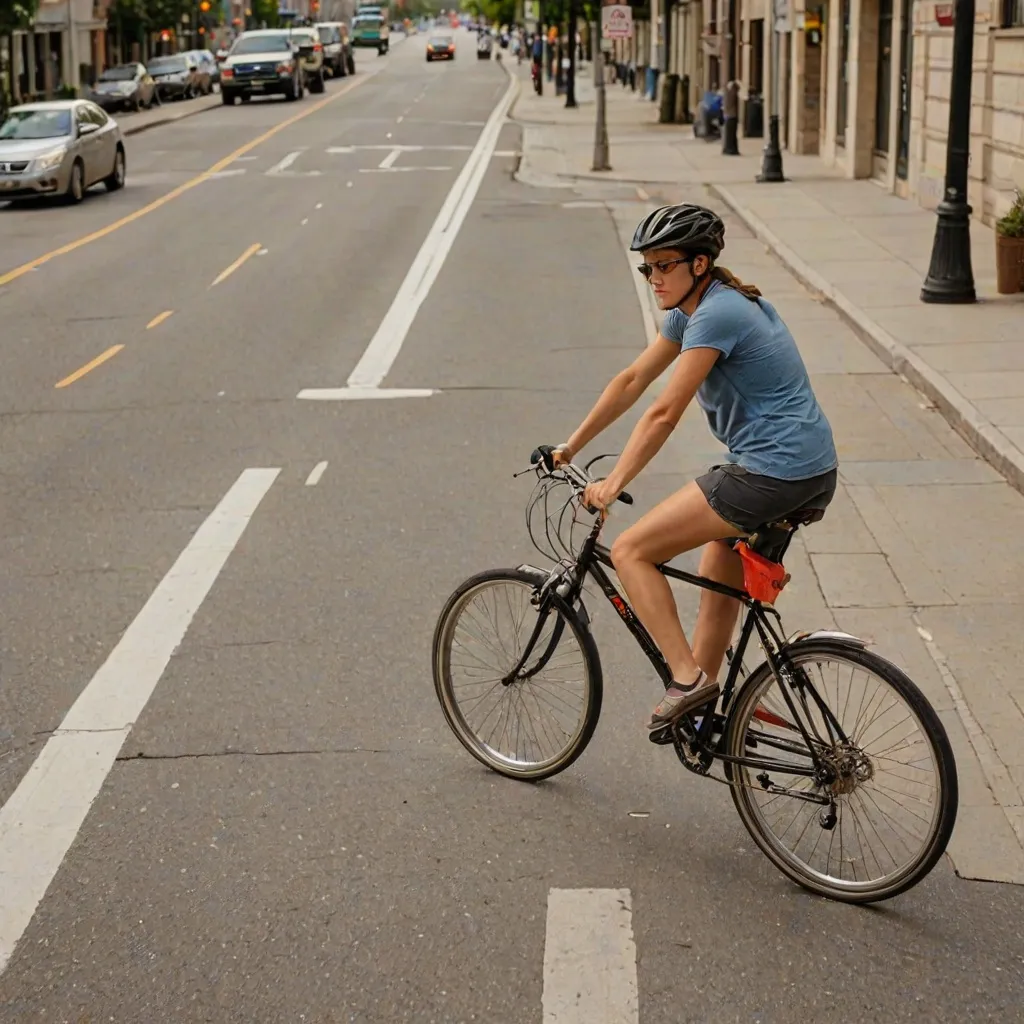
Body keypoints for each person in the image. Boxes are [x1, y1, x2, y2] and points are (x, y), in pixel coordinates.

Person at [549, 204, 838, 732]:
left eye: (664, 266)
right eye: (647, 268)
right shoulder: (694, 311)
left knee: (634, 550)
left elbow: (663, 411)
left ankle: (689, 680)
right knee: (717, 563)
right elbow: (633, 380)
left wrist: (614, 484)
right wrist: (570, 446)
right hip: (807, 470)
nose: (653, 277)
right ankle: (709, 706)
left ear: (700, 265)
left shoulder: (717, 315)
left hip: (771, 471)